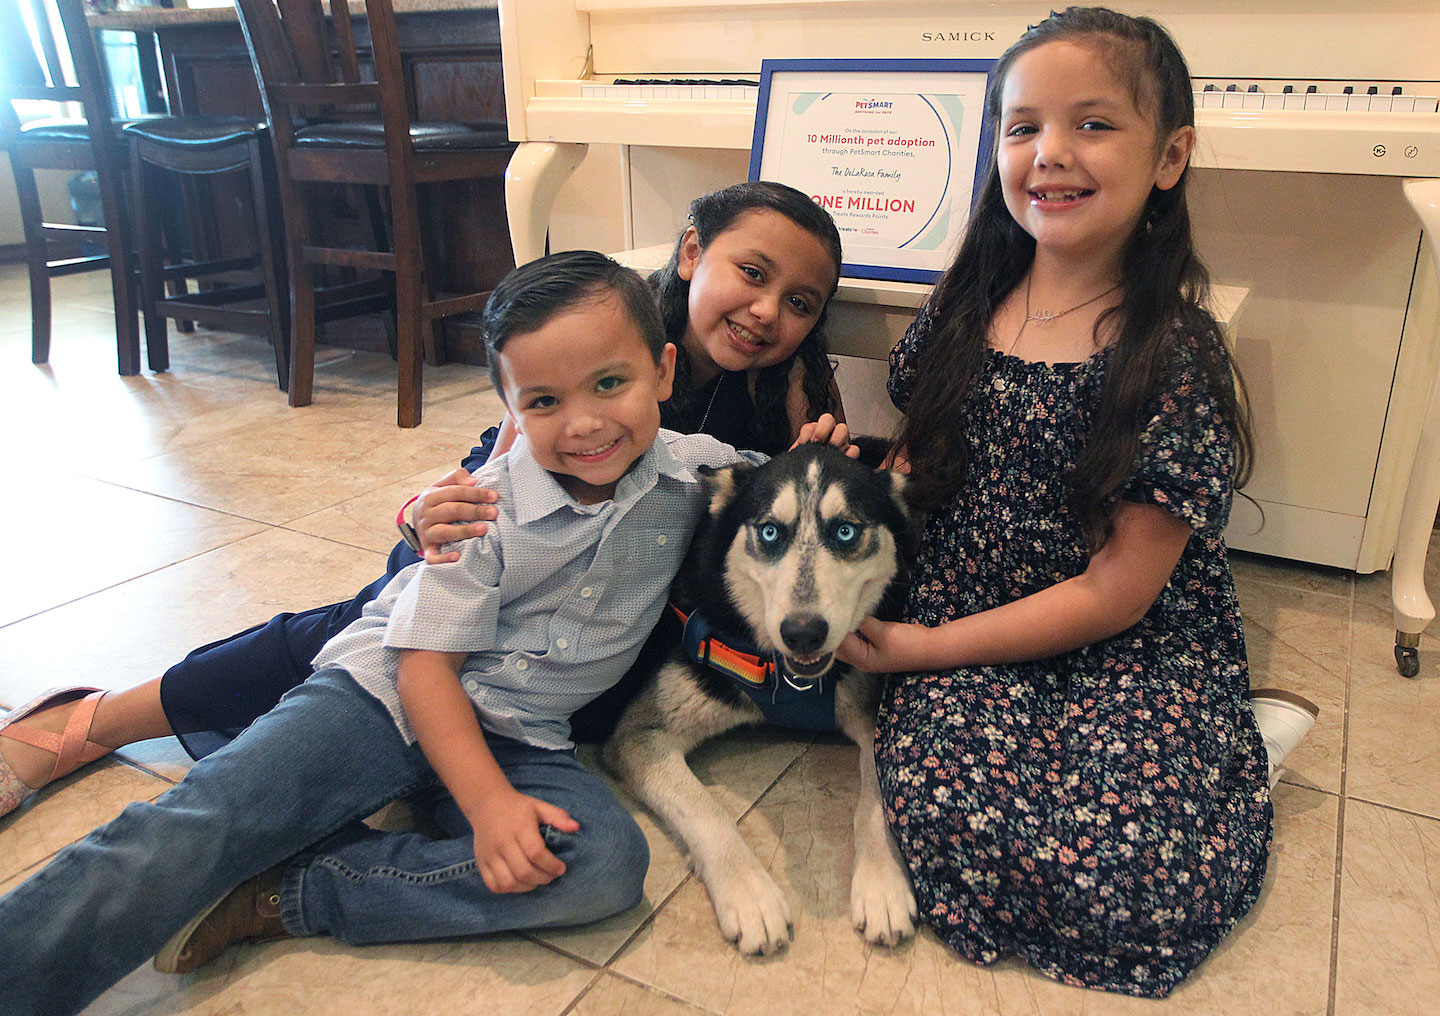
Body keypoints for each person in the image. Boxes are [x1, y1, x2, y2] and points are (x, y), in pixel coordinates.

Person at [0, 251, 789, 1016]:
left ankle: (295, 890)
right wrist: (487, 808)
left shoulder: (696, 473)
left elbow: (777, 484)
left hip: (524, 735)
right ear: (509, 410)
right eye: (543, 401)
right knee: (203, 825)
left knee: (605, 866)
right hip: (382, 700)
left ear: (662, 372)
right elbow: (422, 673)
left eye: (609, 384)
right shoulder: (485, 507)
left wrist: (826, 457)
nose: (583, 424)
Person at [0, 180, 846, 816]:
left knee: (576, 704)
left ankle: (347, 770)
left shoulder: (788, 397)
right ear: (694, 251)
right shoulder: (608, 318)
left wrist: (813, 465)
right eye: (752, 272)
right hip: (507, 543)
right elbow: (502, 456)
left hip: (612, 619)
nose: (767, 311)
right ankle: (99, 717)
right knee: (377, 613)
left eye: (799, 303)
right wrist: (424, 509)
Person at [834, 7, 1315, 998]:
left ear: (1169, 155)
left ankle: (1238, 750)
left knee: (1129, 872)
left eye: (1092, 124)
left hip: (1123, 634)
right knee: (953, 815)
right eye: (1023, 127)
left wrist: (920, 653)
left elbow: (1119, 591)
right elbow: (917, 468)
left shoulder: (1173, 354)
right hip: (969, 607)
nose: (1050, 153)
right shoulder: (963, 307)